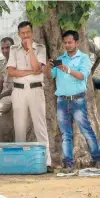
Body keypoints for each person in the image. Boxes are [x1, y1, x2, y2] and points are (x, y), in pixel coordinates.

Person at [44, 30, 100, 173]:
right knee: (66, 134)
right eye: (65, 43)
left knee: (85, 129)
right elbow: (51, 77)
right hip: (62, 101)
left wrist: (67, 69)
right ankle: (69, 163)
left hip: (78, 100)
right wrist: (48, 68)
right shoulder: (60, 59)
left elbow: (82, 76)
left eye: (70, 42)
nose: (67, 45)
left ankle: (97, 159)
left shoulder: (84, 58)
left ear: (76, 42)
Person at [7, 21, 53, 173]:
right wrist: (30, 72)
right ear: (18, 34)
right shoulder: (14, 49)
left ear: (32, 33)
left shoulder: (40, 48)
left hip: (35, 90)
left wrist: (30, 51)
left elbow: (37, 68)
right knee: (19, 127)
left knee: (40, 126)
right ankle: (21, 162)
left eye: (28, 33)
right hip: (19, 91)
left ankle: (46, 162)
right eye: (22, 33)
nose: (25, 36)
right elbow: (11, 72)